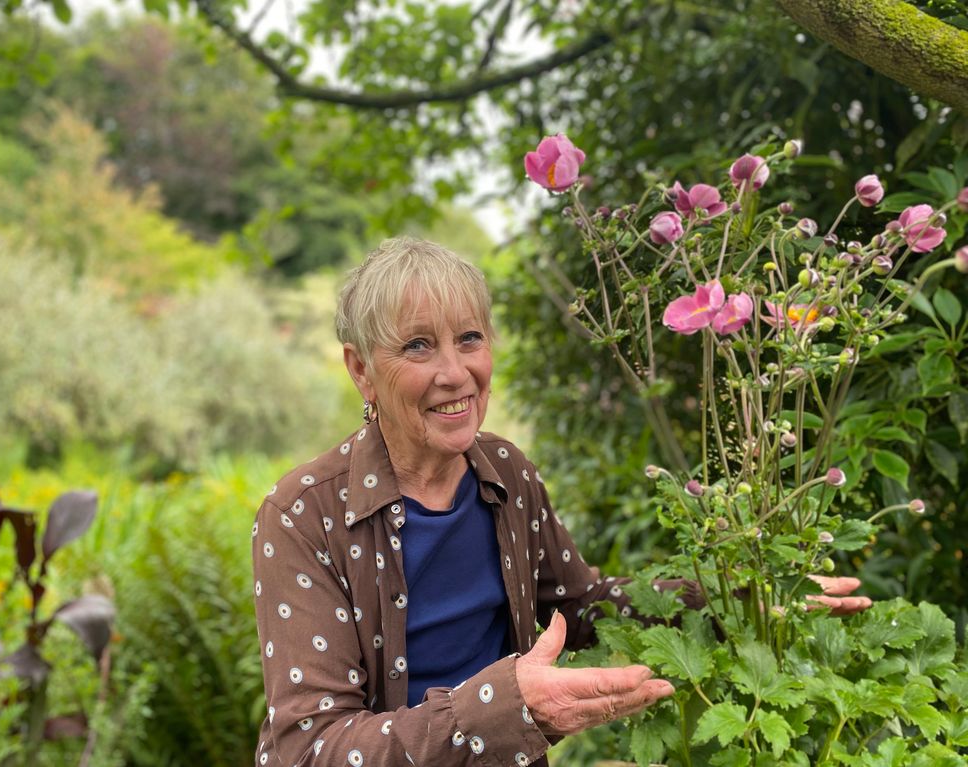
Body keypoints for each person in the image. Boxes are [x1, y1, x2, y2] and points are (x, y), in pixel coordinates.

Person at [250, 237, 870, 767]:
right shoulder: (306, 517)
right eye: (417, 346)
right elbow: (309, 749)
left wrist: (734, 593)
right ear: (361, 370)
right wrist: (500, 707)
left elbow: (577, 607)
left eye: (469, 338)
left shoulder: (504, 474)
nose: (455, 372)